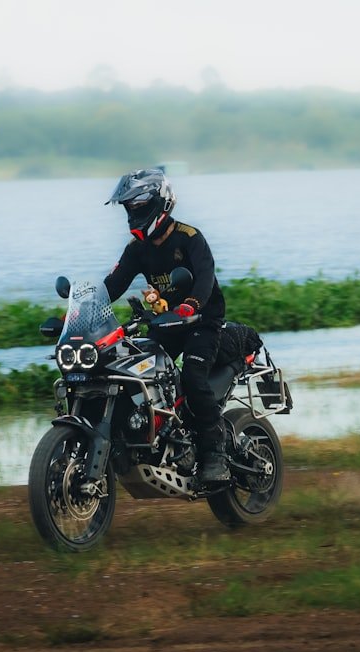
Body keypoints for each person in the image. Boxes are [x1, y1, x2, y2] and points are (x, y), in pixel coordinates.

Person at [103, 167, 229, 482]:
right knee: (134, 370)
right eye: (129, 206)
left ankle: (216, 455)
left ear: (160, 202)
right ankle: (150, 435)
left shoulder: (189, 238)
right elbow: (113, 285)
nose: (134, 211)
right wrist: (78, 311)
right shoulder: (137, 250)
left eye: (139, 204)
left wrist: (191, 305)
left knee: (193, 376)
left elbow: (205, 279)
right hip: (166, 323)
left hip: (202, 322)